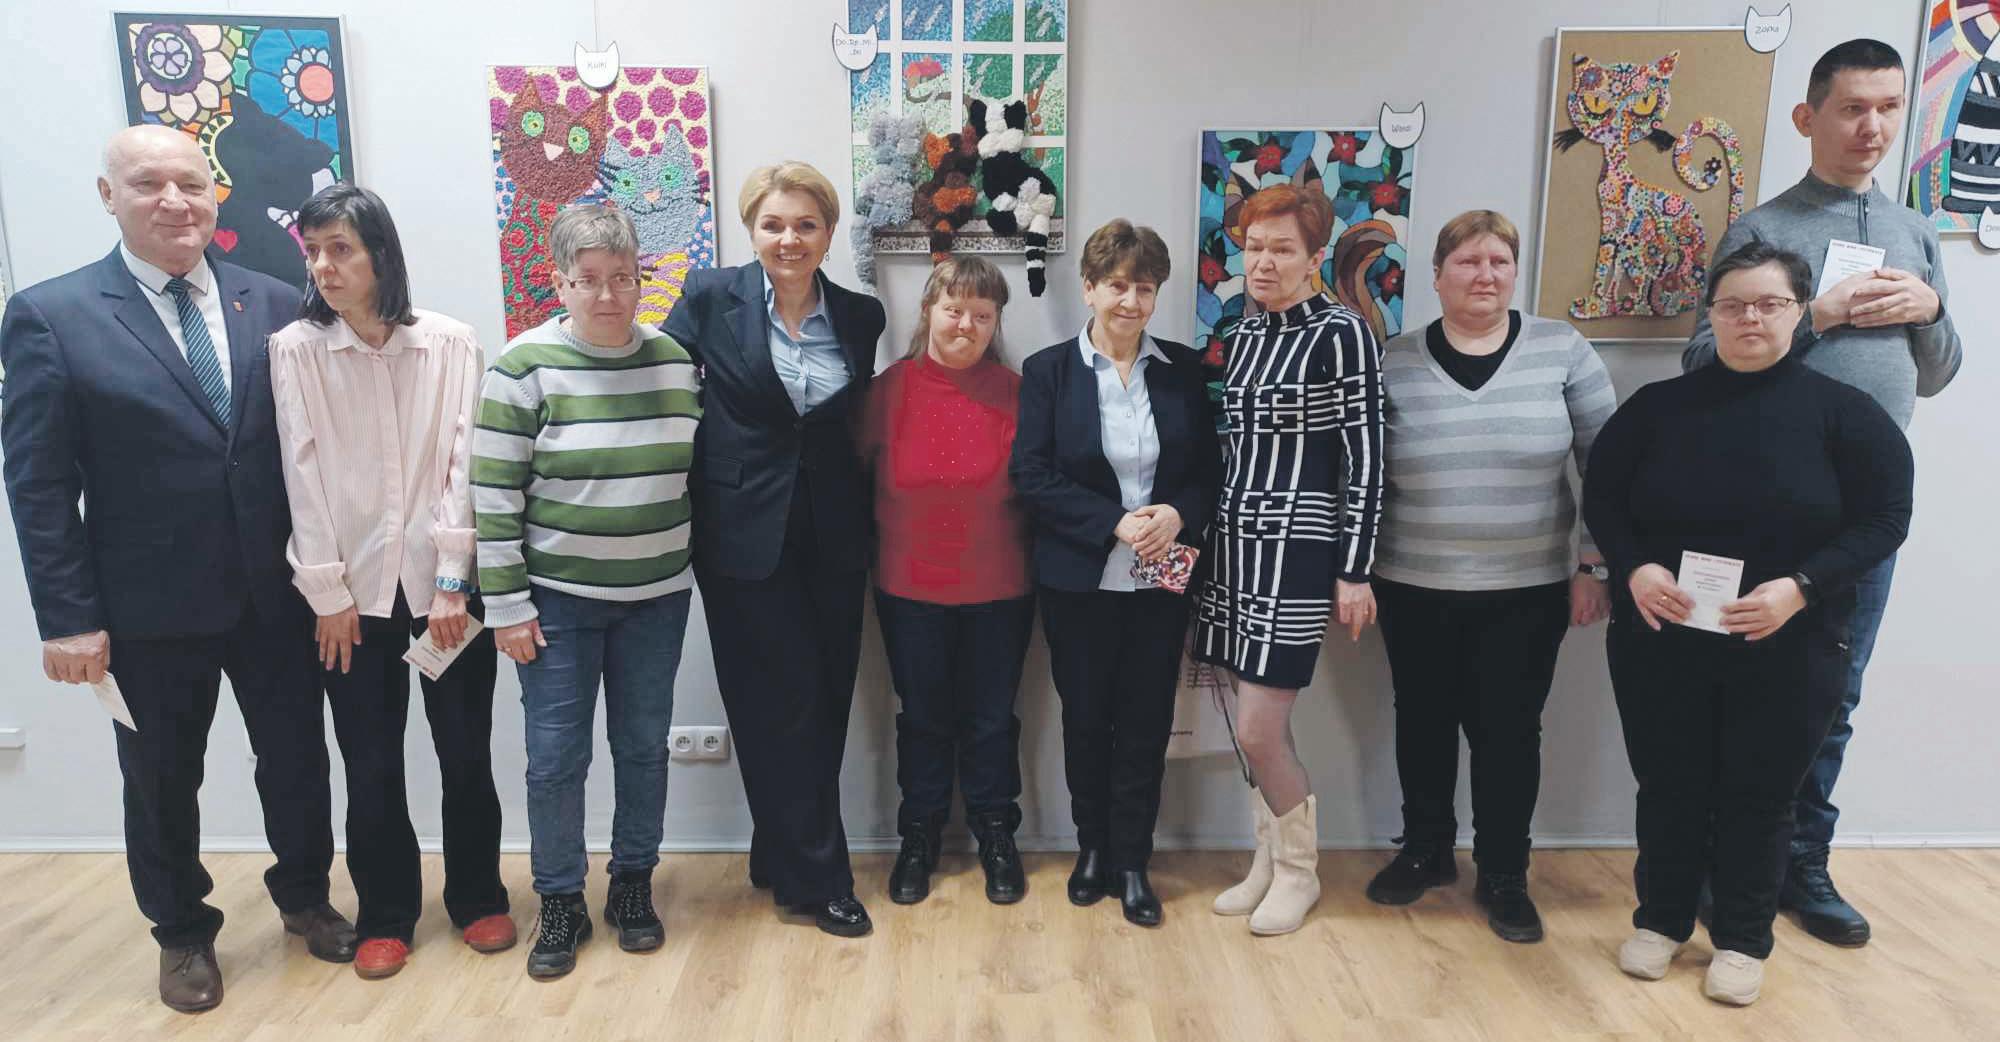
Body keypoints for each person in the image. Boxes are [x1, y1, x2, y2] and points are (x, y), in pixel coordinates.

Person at [0, 125, 349, 1012]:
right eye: (148, 183)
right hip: (146, 608)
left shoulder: (278, 301)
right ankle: (183, 933)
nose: (173, 201)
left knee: (298, 761)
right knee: (161, 782)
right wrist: (67, 618)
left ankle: (305, 896)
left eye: (190, 183)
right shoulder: (52, 315)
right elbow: (39, 482)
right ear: (107, 196)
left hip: (276, 596)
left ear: (215, 192)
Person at [1682, 39, 1962, 948]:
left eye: (1888, 107)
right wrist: (1819, 316)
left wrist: (1932, 314)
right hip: (1763, 498)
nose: (1871, 126)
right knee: (1737, 687)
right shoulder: (1762, 230)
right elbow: (1700, 363)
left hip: (1866, 513)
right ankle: (1726, 865)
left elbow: (1939, 375)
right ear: (1809, 117)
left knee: (1833, 697)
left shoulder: (1917, 234)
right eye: (1852, 107)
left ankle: (1803, 864)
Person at [1588, 242, 1913, 1006]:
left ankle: (1741, 939)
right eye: (1733, 305)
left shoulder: (1847, 415)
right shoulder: (1656, 409)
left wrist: (1801, 588)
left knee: (1761, 796)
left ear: (1800, 313)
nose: (1750, 319)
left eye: (1770, 304)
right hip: (1665, 636)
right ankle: (1661, 921)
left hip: (1788, 641)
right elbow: (1603, 497)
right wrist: (1634, 568)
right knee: (1667, 785)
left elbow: (1886, 519)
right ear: (1711, 314)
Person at [269, 184, 512, 980]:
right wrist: (328, 594)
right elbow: (301, 475)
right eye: (313, 251)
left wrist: (451, 582)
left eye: (340, 249)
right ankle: (385, 913)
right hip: (352, 602)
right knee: (370, 764)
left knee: (465, 754)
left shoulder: (450, 343)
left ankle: (478, 898)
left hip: (447, 592)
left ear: (380, 254)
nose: (323, 266)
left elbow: (463, 466)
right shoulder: (296, 349)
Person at [1366, 210, 1616, 943]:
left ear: (1514, 272)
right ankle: (1427, 850)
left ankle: (1505, 872)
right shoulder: (1393, 360)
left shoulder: (1562, 350)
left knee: (1508, 732)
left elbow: (1609, 466)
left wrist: (1594, 563)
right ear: (1438, 275)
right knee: (1422, 721)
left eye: (1498, 262)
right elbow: (1363, 473)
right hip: (1413, 582)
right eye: (1468, 262)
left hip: (1526, 589)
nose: (1484, 275)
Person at [473, 205, 701, 980]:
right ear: (560, 282)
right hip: (556, 604)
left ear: (641, 279)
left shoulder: (676, 362)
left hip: (658, 597)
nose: (607, 295)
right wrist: (507, 607)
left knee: (642, 749)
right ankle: (561, 898)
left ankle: (633, 884)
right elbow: (492, 496)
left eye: (621, 278)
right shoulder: (522, 367)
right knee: (554, 760)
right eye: (589, 279)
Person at [664, 161, 886, 938]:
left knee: (823, 700)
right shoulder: (708, 296)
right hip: (739, 533)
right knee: (774, 702)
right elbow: (659, 386)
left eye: (805, 225)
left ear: (828, 233)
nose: (789, 239)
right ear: (750, 228)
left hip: (835, 532)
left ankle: (778, 848)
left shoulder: (860, 315)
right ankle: (820, 879)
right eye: (773, 224)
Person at [1011, 220, 1221, 927]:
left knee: (1145, 723)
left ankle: (1133, 860)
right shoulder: (1048, 371)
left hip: (1162, 581)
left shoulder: (1183, 369)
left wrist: (1177, 513)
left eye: (1145, 288)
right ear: (1090, 287)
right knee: (1085, 720)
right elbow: (1031, 474)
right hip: (1080, 580)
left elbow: (1209, 472)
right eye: (1118, 285)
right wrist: (1112, 521)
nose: (1131, 301)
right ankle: (1092, 850)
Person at [1195, 183, 1386, 937]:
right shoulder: (1243, 334)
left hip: (1300, 548)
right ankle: (1267, 861)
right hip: (1235, 547)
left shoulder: (1342, 332)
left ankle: (1301, 873)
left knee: (1258, 729)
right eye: (1253, 247)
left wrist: (1355, 568)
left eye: (1282, 249)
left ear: (1313, 258)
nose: (1264, 262)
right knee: (1249, 726)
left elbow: (1366, 457)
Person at [859, 256, 1034, 908]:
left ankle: (996, 833)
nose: (966, 324)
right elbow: (850, 483)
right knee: (924, 719)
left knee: (991, 721)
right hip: (909, 589)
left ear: (996, 323)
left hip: (1001, 589)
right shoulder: (886, 393)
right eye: (954, 309)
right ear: (929, 310)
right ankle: (919, 835)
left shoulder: (1020, 394)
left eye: (982, 314)